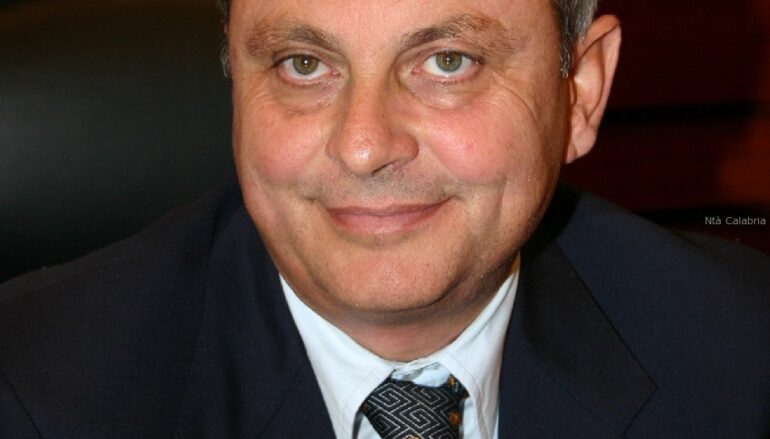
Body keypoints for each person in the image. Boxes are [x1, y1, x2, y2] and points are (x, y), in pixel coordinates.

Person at [1, 0, 768, 437]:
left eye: (448, 61)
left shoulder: (743, 351)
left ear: (581, 93)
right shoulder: (32, 393)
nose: (364, 146)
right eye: (304, 64)